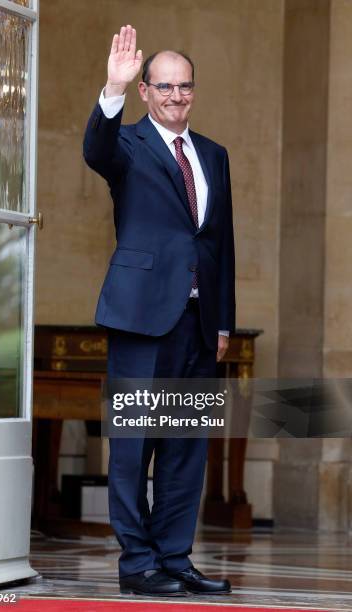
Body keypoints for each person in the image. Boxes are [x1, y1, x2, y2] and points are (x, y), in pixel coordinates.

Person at [83, 25, 235, 597]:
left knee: (185, 449)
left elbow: (221, 244)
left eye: (184, 87)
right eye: (164, 86)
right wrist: (112, 88)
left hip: (198, 325)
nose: (176, 96)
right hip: (141, 319)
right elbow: (94, 148)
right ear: (146, 91)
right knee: (133, 448)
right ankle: (137, 565)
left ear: (193, 91)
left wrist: (222, 319)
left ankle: (175, 558)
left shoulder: (214, 155)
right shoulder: (126, 144)